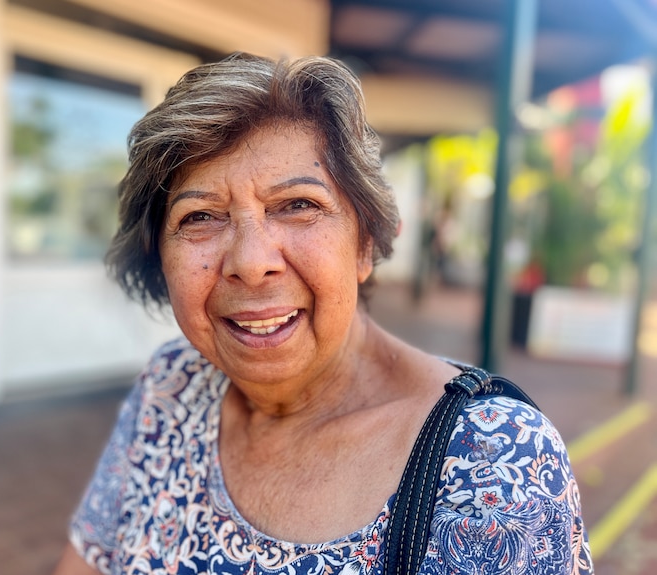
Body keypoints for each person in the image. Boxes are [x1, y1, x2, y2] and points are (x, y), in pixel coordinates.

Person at [52, 52, 592, 575]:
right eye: (200, 217)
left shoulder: (493, 460)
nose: (251, 263)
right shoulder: (170, 386)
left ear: (365, 243)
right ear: (158, 258)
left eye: (298, 205)